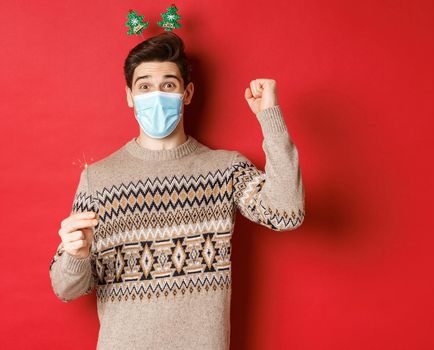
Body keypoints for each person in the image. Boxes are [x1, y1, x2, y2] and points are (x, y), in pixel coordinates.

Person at [48, 32, 305, 349]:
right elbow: (65, 288)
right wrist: (76, 255)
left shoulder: (223, 169)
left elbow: (287, 214)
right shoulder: (98, 179)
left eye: (168, 84)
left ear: (187, 93)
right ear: (129, 95)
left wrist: (270, 117)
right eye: (144, 86)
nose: (156, 94)